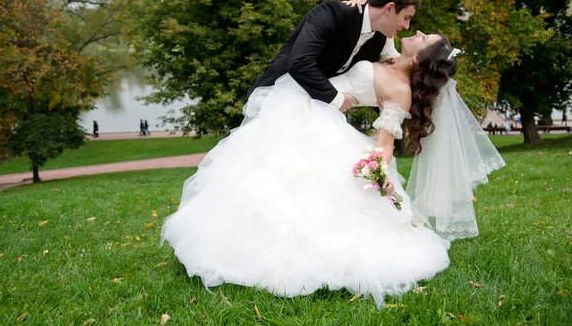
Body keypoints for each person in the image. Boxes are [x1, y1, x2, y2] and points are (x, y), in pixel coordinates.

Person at [161, 31, 505, 307]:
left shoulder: (400, 91)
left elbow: (385, 140)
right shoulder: (383, 49)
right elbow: (366, 25)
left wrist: (376, 166)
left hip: (323, 123)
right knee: (259, 174)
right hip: (300, 106)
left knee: (303, 187)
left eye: (423, 37)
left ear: (417, 58)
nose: (416, 30)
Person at [248, 0, 419, 113]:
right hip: (273, 99)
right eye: (406, 18)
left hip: (313, 111)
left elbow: (397, 74)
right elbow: (300, 62)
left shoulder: (382, 40)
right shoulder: (332, 13)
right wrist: (337, 100)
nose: (406, 27)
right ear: (389, 9)